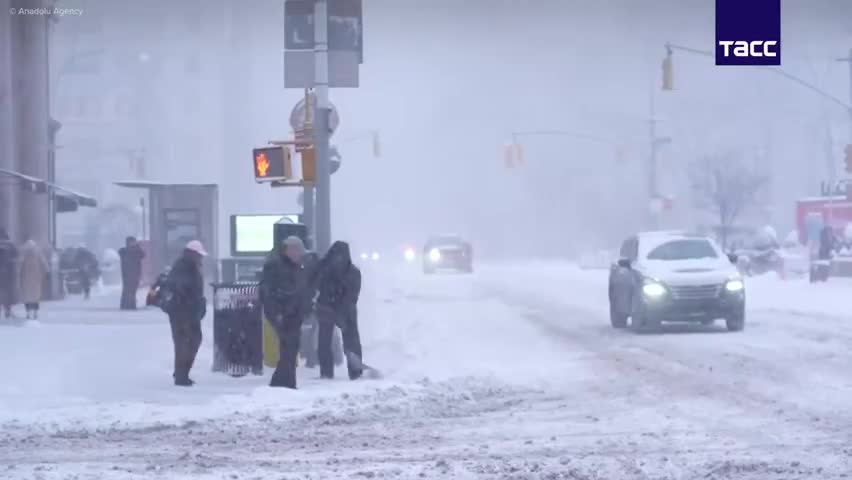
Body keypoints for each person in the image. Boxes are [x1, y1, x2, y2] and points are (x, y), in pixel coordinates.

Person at [260, 236, 311, 388]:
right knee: (289, 346)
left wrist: (305, 307)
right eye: (298, 252)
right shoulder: (276, 266)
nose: (300, 255)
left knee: (290, 348)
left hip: (294, 314)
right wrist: (276, 312)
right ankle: (284, 383)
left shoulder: (295, 267)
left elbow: (300, 290)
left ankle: (283, 382)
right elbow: (268, 292)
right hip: (282, 314)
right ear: (289, 250)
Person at [316, 240, 363, 380]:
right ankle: (326, 372)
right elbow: (317, 286)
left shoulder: (353, 273)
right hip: (326, 306)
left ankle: (355, 371)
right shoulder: (323, 269)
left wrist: (342, 314)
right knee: (324, 340)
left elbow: (352, 296)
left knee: (351, 339)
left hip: (346, 308)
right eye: (337, 256)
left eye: (342, 256)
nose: (339, 260)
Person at [166, 240, 208, 386]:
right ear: (192, 254)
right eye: (199, 255)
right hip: (182, 313)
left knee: (190, 342)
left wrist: (200, 304)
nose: (201, 258)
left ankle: (181, 372)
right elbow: (183, 290)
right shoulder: (183, 267)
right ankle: (181, 375)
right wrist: (194, 304)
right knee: (185, 343)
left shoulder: (191, 266)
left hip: (189, 312)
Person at [19, 239, 48, 320]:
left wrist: (18, 273)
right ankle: (35, 313)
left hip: (25, 276)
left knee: (26, 295)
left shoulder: (23, 251)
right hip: (36, 276)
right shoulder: (38, 250)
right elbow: (43, 261)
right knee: (35, 295)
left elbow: (19, 263)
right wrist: (47, 271)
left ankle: (28, 313)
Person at [119, 236, 145, 310]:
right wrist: (136, 247)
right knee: (129, 290)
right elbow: (140, 254)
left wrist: (137, 247)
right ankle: (129, 305)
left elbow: (142, 255)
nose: (134, 243)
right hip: (128, 274)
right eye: (132, 242)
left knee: (131, 290)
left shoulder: (134, 251)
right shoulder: (125, 251)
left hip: (134, 273)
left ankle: (127, 305)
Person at [0, 229, 18, 319]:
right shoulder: (10, 245)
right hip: (8, 272)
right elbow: (16, 256)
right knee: (7, 292)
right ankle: (8, 311)